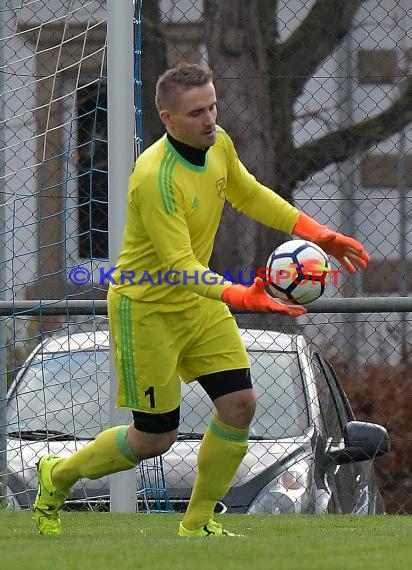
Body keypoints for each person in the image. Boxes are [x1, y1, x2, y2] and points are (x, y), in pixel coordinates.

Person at [33, 63, 369, 537]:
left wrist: (317, 232)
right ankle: (59, 474)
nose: (210, 119)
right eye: (196, 112)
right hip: (146, 312)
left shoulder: (219, 144)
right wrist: (243, 294)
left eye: (212, 106)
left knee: (239, 405)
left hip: (200, 304)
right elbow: (178, 264)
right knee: (155, 437)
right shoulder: (154, 177)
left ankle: (197, 524)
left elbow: (248, 192)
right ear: (167, 118)